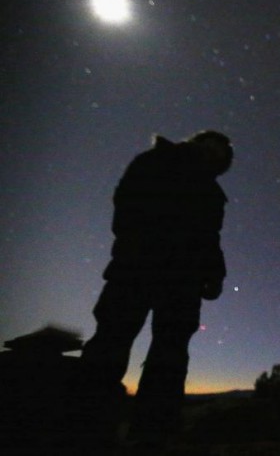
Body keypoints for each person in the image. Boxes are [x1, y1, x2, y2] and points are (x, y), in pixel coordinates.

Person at [79, 130, 233, 447]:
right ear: (199, 142)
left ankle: (153, 435)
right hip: (138, 267)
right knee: (112, 342)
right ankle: (85, 428)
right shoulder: (158, 160)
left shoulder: (213, 194)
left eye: (222, 154)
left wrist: (214, 274)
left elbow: (210, 239)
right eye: (214, 146)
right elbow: (126, 204)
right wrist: (143, 245)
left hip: (182, 282)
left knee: (170, 356)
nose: (217, 154)